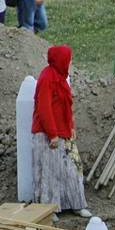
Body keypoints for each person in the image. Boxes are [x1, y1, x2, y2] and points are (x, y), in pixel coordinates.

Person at [32, 46, 91, 219]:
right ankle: (49, 209)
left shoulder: (62, 78)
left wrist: (70, 126)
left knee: (72, 169)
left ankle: (76, 204)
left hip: (63, 132)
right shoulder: (47, 78)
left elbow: (66, 106)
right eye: (69, 58)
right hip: (48, 135)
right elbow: (44, 109)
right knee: (50, 172)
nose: (70, 62)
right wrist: (52, 134)